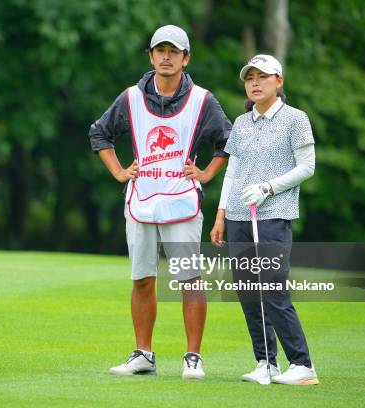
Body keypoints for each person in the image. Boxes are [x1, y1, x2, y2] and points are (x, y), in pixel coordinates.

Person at [89, 25, 231, 379]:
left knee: (190, 279)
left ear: (186, 58)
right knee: (142, 279)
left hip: (182, 201)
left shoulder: (202, 99)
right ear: (151, 56)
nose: (166, 57)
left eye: (174, 51)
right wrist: (120, 172)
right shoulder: (130, 98)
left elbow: (228, 141)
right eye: (160, 50)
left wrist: (207, 174)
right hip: (141, 198)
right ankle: (144, 354)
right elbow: (99, 133)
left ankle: (192, 357)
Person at [210, 54, 319, 385]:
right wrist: (221, 215)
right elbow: (233, 171)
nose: (255, 83)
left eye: (263, 76)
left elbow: (307, 166)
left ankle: (302, 365)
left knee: (272, 288)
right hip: (241, 216)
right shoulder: (242, 123)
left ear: (279, 82)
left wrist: (269, 187)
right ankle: (266, 361)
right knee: (247, 290)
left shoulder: (295, 119)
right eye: (250, 77)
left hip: (273, 215)